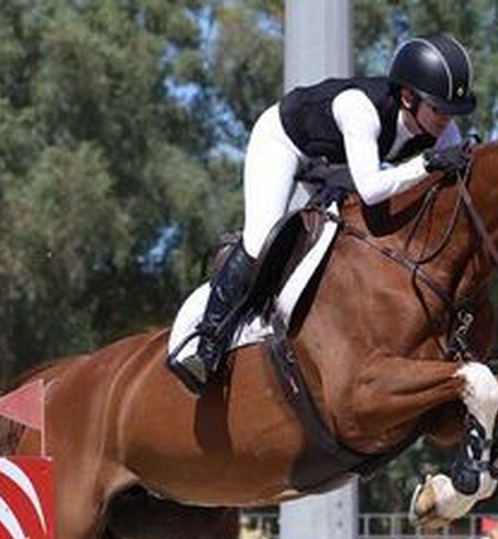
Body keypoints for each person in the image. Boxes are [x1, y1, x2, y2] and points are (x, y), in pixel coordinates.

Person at [167, 34, 478, 393]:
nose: (447, 121)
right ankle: (205, 341)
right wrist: (427, 163)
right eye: (439, 109)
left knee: (356, 239)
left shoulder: (440, 126)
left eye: (453, 113)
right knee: (261, 238)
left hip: (337, 166)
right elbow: (372, 189)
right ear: (408, 97)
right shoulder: (360, 109)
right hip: (286, 144)